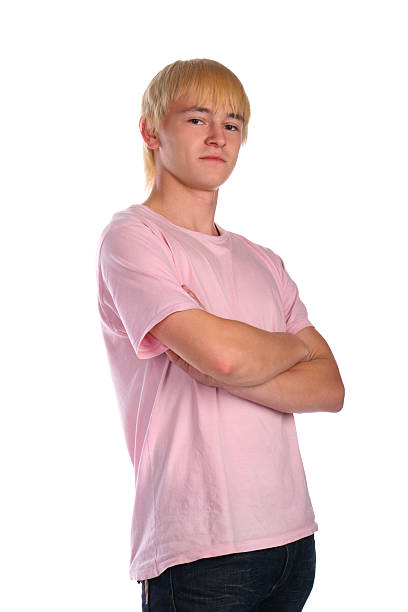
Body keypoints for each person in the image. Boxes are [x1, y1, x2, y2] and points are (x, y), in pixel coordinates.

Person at [95, 58, 345, 610]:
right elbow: (227, 358)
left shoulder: (263, 259)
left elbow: (330, 389)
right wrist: (293, 350)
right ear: (150, 131)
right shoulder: (133, 239)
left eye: (232, 124)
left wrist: (239, 360)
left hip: (293, 542)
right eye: (197, 119)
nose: (218, 137)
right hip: (200, 549)